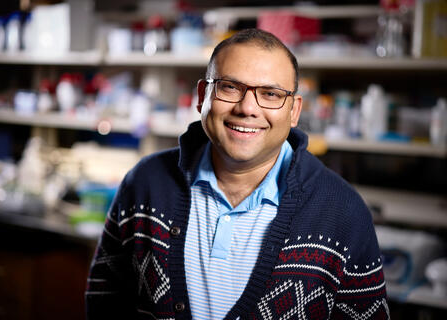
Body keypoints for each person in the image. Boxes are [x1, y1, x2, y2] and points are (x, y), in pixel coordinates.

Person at [86, 28, 389, 320]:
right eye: (230, 87)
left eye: (270, 94)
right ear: (204, 95)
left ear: (294, 111)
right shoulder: (145, 183)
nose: (247, 108)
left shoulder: (343, 213)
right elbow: (105, 300)